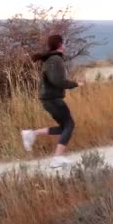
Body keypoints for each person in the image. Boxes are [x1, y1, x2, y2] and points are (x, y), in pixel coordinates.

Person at [21, 34, 83, 168]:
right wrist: (75, 84)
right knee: (69, 125)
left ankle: (31, 134)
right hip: (52, 98)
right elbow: (57, 81)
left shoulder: (52, 58)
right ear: (60, 44)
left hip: (49, 98)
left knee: (63, 127)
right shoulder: (55, 59)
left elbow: (55, 79)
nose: (64, 45)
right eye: (63, 42)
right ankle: (57, 158)